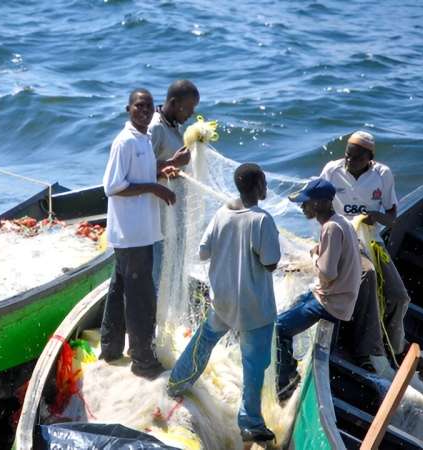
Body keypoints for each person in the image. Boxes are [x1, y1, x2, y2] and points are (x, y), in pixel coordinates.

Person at [166, 163, 280, 443]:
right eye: (264, 183)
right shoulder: (262, 220)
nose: (266, 187)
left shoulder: (222, 214)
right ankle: (250, 422)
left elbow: (203, 252)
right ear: (258, 186)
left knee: (203, 341)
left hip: (223, 300)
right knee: (254, 365)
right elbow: (270, 262)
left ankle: (176, 383)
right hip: (254, 307)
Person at [101, 88, 176, 379]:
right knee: (140, 298)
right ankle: (143, 361)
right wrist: (154, 188)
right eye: (138, 106)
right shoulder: (125, 142)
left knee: (120, 288)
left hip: (140, 231)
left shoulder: (143, 138)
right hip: (132, 233)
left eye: (148, 107)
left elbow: (139, 174)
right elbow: (113, 186)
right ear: (128, 109)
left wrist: (162, 170)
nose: (143, 111)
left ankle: (110, 348)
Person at [319, 131, 411, 366]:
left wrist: (376, 216)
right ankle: (367, 350)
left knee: (398, 296)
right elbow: (317, 205)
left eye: (357, 157)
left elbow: (391, 217)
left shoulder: (382, 174)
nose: (350, 161)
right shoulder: (332, 170)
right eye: (348, 155)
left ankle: (394, 347)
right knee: (368, 275)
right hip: (341, 239)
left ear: (370, 158)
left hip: (370, 240)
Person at [276, 178, 361, 401]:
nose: (302, 206)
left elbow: (328, 273)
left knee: (278, 328)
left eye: (307, 203)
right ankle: (289, 369)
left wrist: (314, 256)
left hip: (332, 303)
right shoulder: (341, 222)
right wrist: (320, 250)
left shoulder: (330, 228)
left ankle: (286, 382)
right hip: (339, 297)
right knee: (292, 307)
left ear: (322, 203)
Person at [148, 80, 200, 290]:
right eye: (188, 108)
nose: (191, 113)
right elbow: (138, 170)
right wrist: (173, 163)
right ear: (174, 103)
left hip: (174, 212)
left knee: (172, 270)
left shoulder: (173, 125)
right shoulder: (155, 128)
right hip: (158, 216)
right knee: (157, 272)